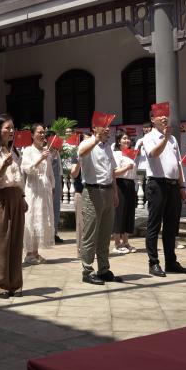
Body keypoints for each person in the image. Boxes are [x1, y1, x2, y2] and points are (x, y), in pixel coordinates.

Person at [0, 114, 26, 298]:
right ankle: (0, 285)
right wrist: (3, 165)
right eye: (7, 128)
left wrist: (22, 197)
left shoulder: (15, 152)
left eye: (12, 128)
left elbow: (19, 178)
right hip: (1, 198)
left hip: (16, 197)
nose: (11, 131)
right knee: (0, 242)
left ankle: (15, 283)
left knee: (16, 241)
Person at [141, 114, 186, 277]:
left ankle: (171, 261)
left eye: (166, 115)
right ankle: (153, 263)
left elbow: (178, 163)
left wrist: (182, 185)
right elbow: (153, 154)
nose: (164, 118)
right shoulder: (149, 137)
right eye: (159, 115)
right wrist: (165, 138)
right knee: (154, 225)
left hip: (173, 185)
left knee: (171, 225)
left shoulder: (173, 139)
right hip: (157, 184)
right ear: (152, 119)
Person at [78, 122, 120, 285]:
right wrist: (96, 140)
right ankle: (87, 270)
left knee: (105, 233)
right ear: (94, 128)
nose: (107, 129)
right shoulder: (86, 143)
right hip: (93, 191)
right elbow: (82, 153)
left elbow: (112, 171)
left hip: (108, 191)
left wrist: (115, 192)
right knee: (90, 233)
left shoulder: (107, 146)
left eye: (109, 126)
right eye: (104, 125)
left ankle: (103, 269)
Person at [21, 124, 55, 264]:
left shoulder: (46, 150)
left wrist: (52, 187)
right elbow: (27, 169)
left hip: (44, 189)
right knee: (32, 218)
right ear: (32, 135)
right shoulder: (28, 150)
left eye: (43, 133)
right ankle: (29, 253)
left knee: (41, 219)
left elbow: (49, 172)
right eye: (39, 132)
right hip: (33, 189)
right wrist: (40, 158)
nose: (42, 135)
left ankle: (35, 252)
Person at [111, 133, 138, 254]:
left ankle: (126, 242)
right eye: (124, 138)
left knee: (129, 213)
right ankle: (117, 243)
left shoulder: (131, 154)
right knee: (119, 213)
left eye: (128, 138)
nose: (127, 141)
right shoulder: (116, 154)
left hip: (131, 184)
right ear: (118, 141)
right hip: (120, 184)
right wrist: (127, 168)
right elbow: (114, 173)